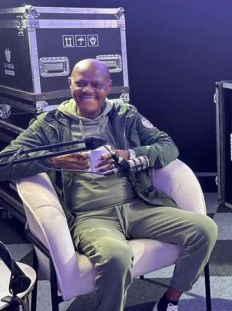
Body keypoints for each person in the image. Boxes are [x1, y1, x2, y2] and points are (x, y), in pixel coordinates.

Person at [0, 59, 217, 311]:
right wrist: (53, 161)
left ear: (108, 86)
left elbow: (168, 146)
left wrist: (130, 155)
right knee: (116, 256)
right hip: (89, 216)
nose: (88, 90)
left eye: (96, 84)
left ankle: (169, 300)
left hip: (138, 205)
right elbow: (4, 163)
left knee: (205, 229)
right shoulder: (49, 124)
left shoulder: (125, 116)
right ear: (69, 83)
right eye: (81, 83)